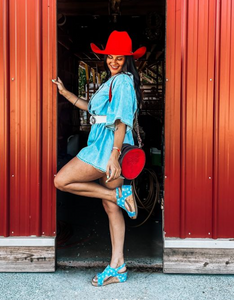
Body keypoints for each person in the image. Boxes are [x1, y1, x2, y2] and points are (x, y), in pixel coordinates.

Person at [52, 30, 146, 287]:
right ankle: (119, 266)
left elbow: (121, 122)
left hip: (107, 150)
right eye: (110, 57)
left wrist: (114, 157)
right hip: (105, 147)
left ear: (128, 60)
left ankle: (116, 195)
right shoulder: (112, 82)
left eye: (119, 58)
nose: (114, 61)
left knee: (62, 180)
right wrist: (66, 94)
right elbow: (93, 110)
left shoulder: (124, 82)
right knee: (111, 208)